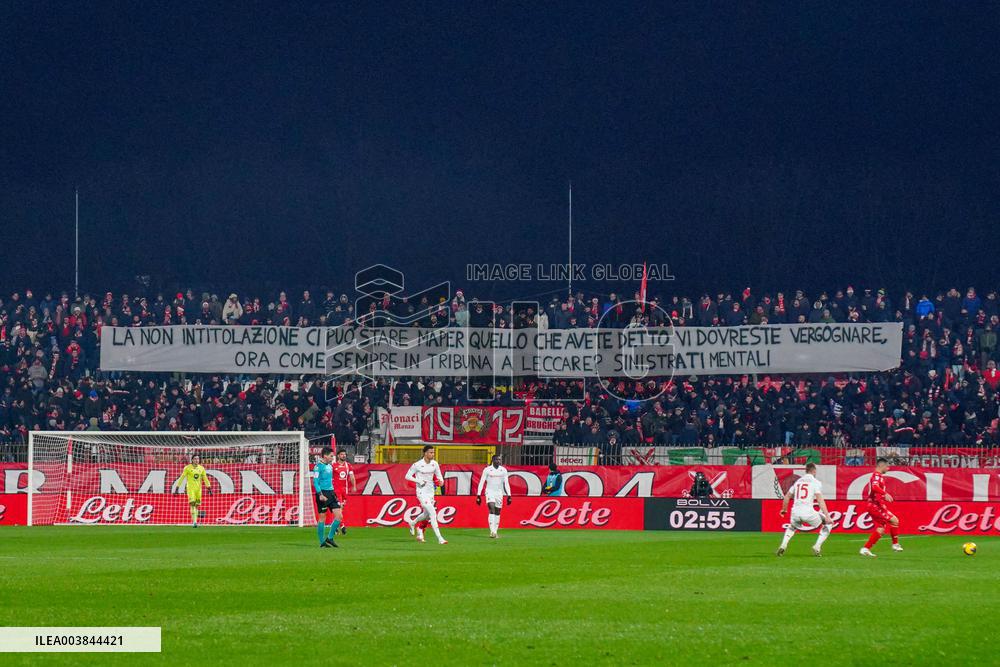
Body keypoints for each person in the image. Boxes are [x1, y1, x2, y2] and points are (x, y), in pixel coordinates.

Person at [776, 463, 833, 556]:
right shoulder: (815, 482)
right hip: (808, 512)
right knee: (829, 523)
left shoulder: (797, 482)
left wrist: (784, 510)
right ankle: (817, 547)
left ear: (806, 471)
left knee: (792, 527)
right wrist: (827, 516)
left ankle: (783, 545)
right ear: (814, 471)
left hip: (795, 512)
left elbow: (786, 497)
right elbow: (820, 500)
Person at [404, 445, 447, 545]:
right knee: (432, 513)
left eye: (433, 452)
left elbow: (440, 476)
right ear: (425, 453)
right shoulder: (417, 465)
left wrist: (441, 482)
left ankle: (413, 522)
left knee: (426, 515)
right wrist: (418, 480)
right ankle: (440, 538)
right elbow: (407, 476)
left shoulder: (435, 464)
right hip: (421, 492)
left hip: (430, 492)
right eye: (430, 452)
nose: (432, 454)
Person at [860, 458, 902, 557]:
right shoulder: (877, 476)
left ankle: (865, 549)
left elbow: (875, 489)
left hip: (877, 505)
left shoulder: (878, 476)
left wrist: (882, 497)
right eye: (887, 466)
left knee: (881, 528)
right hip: (875, 505)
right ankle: (895, 545)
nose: (888, 468)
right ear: (881, 466)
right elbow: (874, 487)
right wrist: (885, 493)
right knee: (895, 521)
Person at [476, 454, 512, 538]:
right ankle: (492, 531)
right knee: (491, 509)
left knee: (498, 511)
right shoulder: (487, 470)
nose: (498, 461)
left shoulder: (503, 470)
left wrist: (509, 495)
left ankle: (495, 531)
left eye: (499, 460)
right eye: (497, 460)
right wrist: (478, 494)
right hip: (489, 491)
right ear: (493, 460)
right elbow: (481, 482)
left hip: (499, 493)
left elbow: (506, 483)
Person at [313, 447, 342, 548]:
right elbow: (315, 482)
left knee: (339, 516)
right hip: (322, 494)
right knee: (322, 518)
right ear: (325, 456)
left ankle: (329, 538)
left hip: (331, 493)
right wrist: (320, 494)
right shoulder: (318, 467)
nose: (332, 458)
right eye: (331, 456)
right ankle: (322, 542)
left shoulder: (329, 466)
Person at [176, 453, 212, 528]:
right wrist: (177, 487)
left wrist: (209, 488)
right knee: (192, 504)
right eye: (195, 459)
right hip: (190, 489)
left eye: (198, 459)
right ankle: (194, 522)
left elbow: (205, 478)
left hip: (199, 490)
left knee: (197, 506)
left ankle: (195, 521)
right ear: (192, 460)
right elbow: (182, 477)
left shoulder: (201, 468)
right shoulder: (187, 468)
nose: (196, 460)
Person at [333, 448, 357, 535]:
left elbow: (352, 476)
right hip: (336, 490)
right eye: (342, 454)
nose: (344, 456)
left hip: (344, 490)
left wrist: (354, 486)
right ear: (338, 456)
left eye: (345, 454)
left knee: (341, 509)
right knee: (339, 508)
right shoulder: (333, 465)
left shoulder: (348, 465)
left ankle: (335, 526)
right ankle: (342, 526)